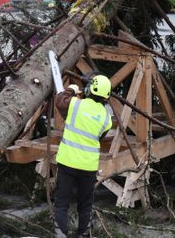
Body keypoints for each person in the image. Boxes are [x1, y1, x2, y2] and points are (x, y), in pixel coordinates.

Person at [54, 75, 112, 238]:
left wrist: (71, 89)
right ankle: (84, 234)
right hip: (88, 167)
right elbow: (99, 136)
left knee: (61, 204)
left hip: (67, 162)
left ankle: (60, 235)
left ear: (88, 90)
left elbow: (59, 101)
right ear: (107, 96)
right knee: (85, 205)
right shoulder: (107, 119)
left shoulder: (74, 104)